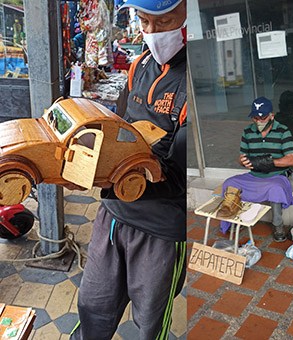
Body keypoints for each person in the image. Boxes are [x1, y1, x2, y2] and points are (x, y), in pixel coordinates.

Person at [70, 0, 187, 339]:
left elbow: (178, 176)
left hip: (160, 232)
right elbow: (118, 129)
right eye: (144, 21)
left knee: (150, 324)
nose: (151, 33)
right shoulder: (139, 66)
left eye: (164, 20)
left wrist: (116, 178)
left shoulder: (194, 84)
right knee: (93, 309)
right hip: (112, 217)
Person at [222, 97, 293, 242]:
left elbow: (291, 159)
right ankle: (232, 219)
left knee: (275, 188)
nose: (258, 121)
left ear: (272, 115)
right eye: (255, 118)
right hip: (254, 175)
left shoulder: (283, 131)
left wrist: (270, 162)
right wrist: (242, 161)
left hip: (276, 175)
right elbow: (242, 157)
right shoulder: (248, 131)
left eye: (263, 117)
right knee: (229, 183)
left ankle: (278, 225)